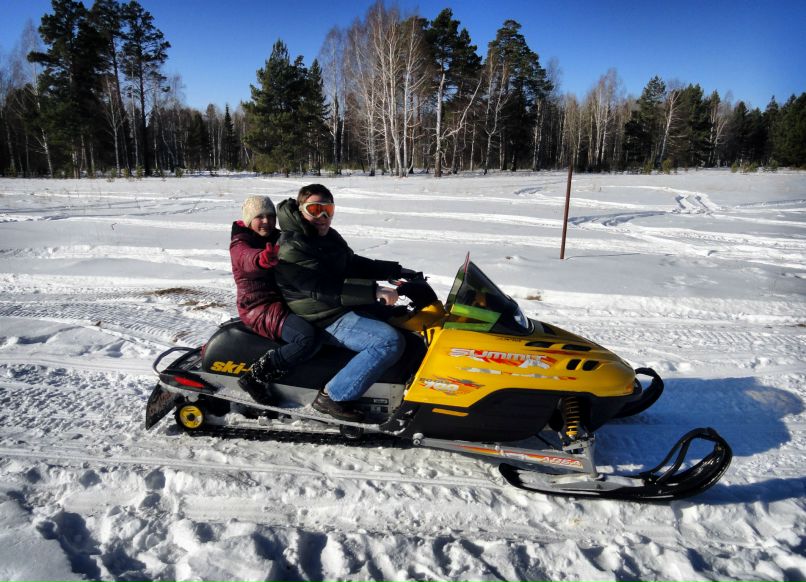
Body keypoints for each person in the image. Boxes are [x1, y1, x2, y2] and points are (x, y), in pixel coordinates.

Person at [275, 184, 409, 422]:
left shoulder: (327, 237)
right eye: (315, 209)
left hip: (338, 306)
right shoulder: (292, 245)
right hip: (322, 315)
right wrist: (373, 291)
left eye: (328, 209)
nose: (323, 217)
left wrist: (396, 270)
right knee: (388, 342)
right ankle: (333, 396)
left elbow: (352, 263)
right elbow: (322, 289)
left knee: (405, 321)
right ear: (300, 210)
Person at [230, 195, 320, 405]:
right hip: (257, 307)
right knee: (306, 337)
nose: (266, 221)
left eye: (270, 216)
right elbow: (245, 258)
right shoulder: (240, 243)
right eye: (259, 217)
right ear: (248, 219)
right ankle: (255, 377)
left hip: (282, 300)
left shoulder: (276, 237)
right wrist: (261, 259)